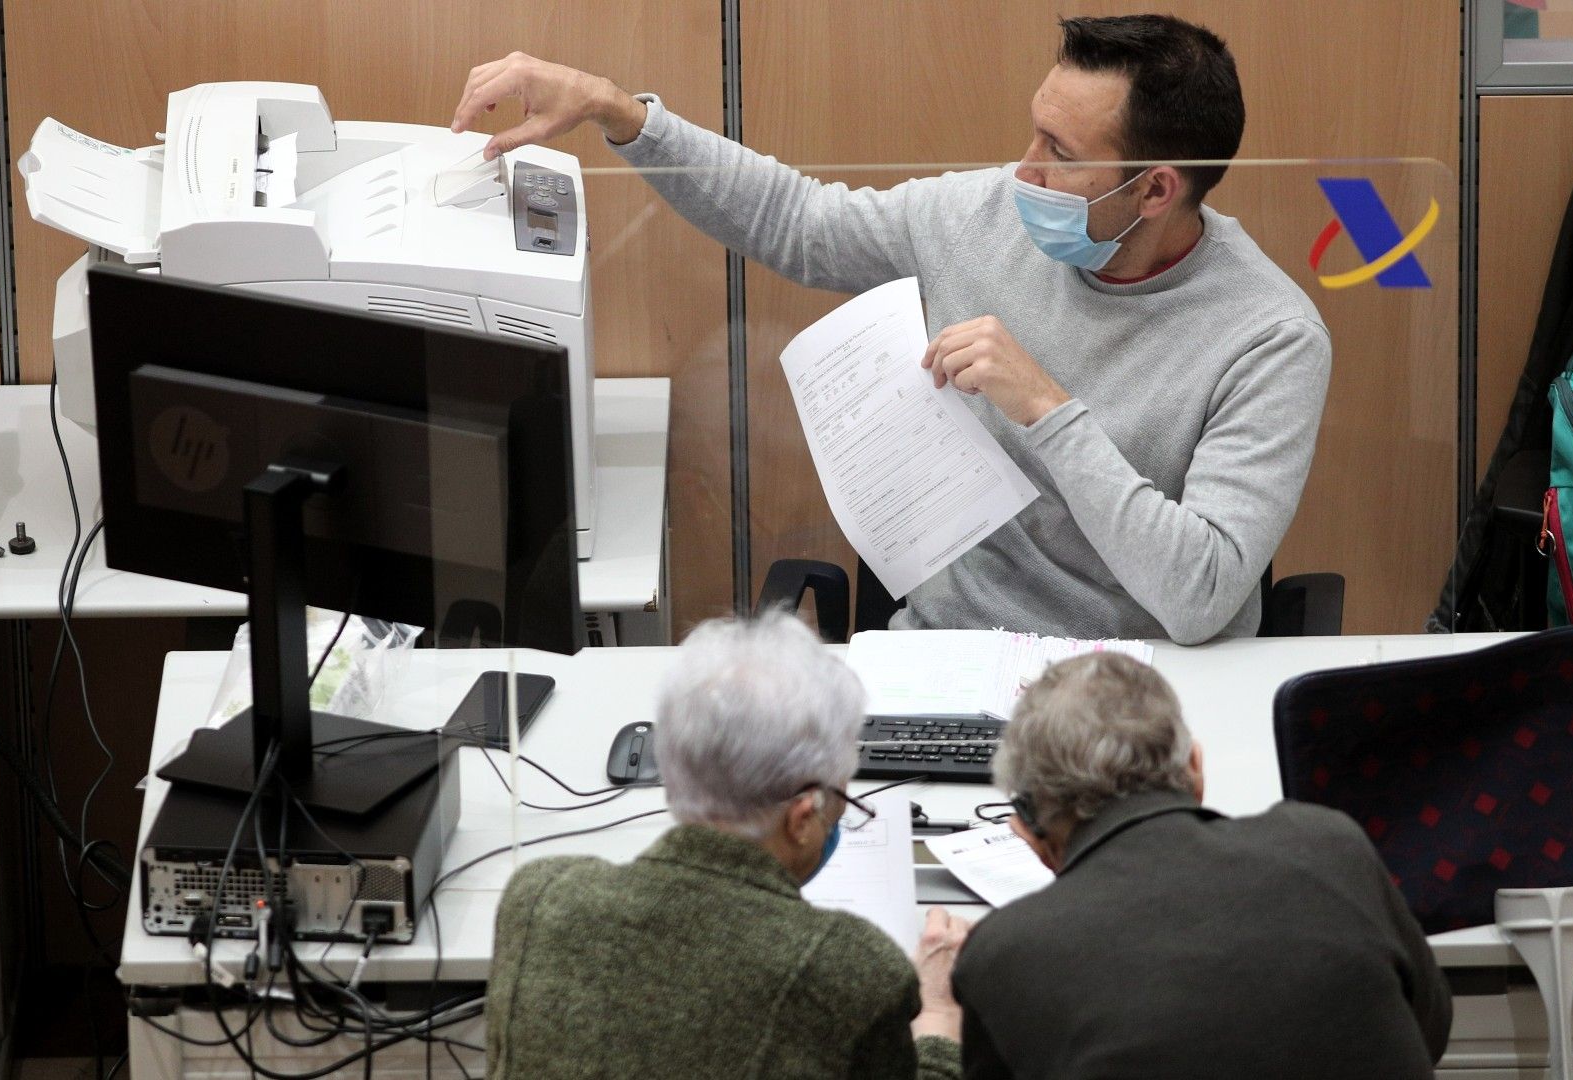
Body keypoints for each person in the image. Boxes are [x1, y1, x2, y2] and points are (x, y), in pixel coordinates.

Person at [452, 14, 1331, 644]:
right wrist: (622, 113)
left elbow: (1203, 594)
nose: (1022, 169)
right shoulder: (988, 213)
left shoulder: (1269, 337)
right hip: (948, 656)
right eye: (1034, 131)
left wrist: (1048, 410)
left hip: (1140, 688)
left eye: (1062, 155)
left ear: (1156, 190)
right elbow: (799, 222)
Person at [483, 612, 969, 1079]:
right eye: (840, 800)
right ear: (801, 818)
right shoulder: (851, 969)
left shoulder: (539, 898)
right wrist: (941, 1017)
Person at [951, 652, 1450, 1079]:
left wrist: (934, 1020)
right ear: (1194, 768)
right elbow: (1430, 1029)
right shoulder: (1331, 845)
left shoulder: (1004, 954)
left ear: (1028, 832)